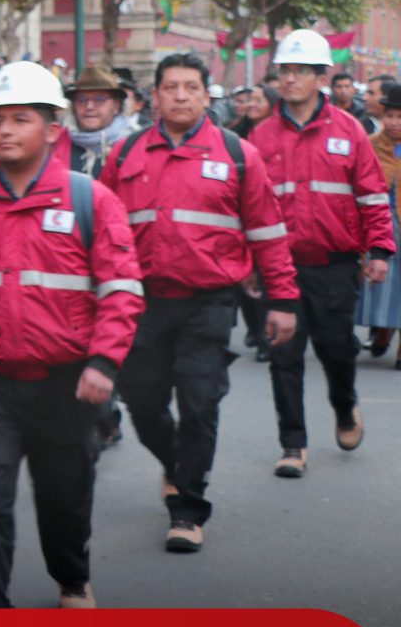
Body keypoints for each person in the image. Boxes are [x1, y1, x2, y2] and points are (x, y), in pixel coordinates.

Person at [0, 61, 144, 609]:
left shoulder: (90, 200)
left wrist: (103, 364)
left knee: (63, 497)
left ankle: (72, 577)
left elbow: (122, 290)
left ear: (52, 130)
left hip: (67, 384)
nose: (3, 131)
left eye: (19, 120)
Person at [100, 53, 299, 553]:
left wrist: (284, 300)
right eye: (171, 87)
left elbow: (269, 234)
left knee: (199, 403)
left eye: (191, 87)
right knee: (142, 402)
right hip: (141, 305)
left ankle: (187, 509)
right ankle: (175, 463)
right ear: (155, 97)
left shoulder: (236, 155)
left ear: (207, 95)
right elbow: (100, 236)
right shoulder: (123, 156)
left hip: (209, 304)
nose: (182, 96)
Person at [248, 30, 394, 475]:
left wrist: (381, 251)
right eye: (285, 71)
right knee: (284, 356)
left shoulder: (349, 130)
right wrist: (249, 262)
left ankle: (345, 407)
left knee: (336, 351)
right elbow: (249, 206)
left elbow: (372, 195)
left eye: (300, 71)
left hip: (335, 267)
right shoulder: (261, 136)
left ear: (319, 76)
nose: (290, 79)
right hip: (281, 267)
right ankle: (293, 444)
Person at [359, 83, 401, 364]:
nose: (395, 123)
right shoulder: (371, 145)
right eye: (391, 116)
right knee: (386, 285)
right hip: (383, 225)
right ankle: (384, 329)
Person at [55, 66, 140, 177]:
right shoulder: (56, 142)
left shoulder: (135, 144)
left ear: (116, 106)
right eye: (82, 99)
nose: (89, 106)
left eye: (99, 99)